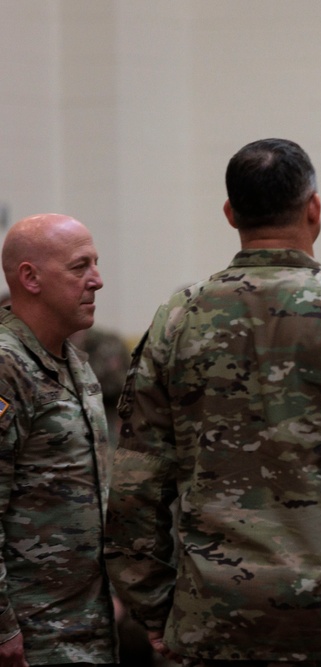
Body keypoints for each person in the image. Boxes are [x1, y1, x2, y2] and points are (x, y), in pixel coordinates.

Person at [104, 138, 321, 666]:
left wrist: (153, 607)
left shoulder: (179, 320)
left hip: (209, 615)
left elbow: (136, 485)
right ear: (314, 208)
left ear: (231, 213)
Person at [0, 213, 117, 664]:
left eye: (96, 264)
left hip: (85, 627)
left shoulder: (72, 359)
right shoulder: (7, 367)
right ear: (30, 277)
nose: (97, 280)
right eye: (79, 267)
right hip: (30, 638)